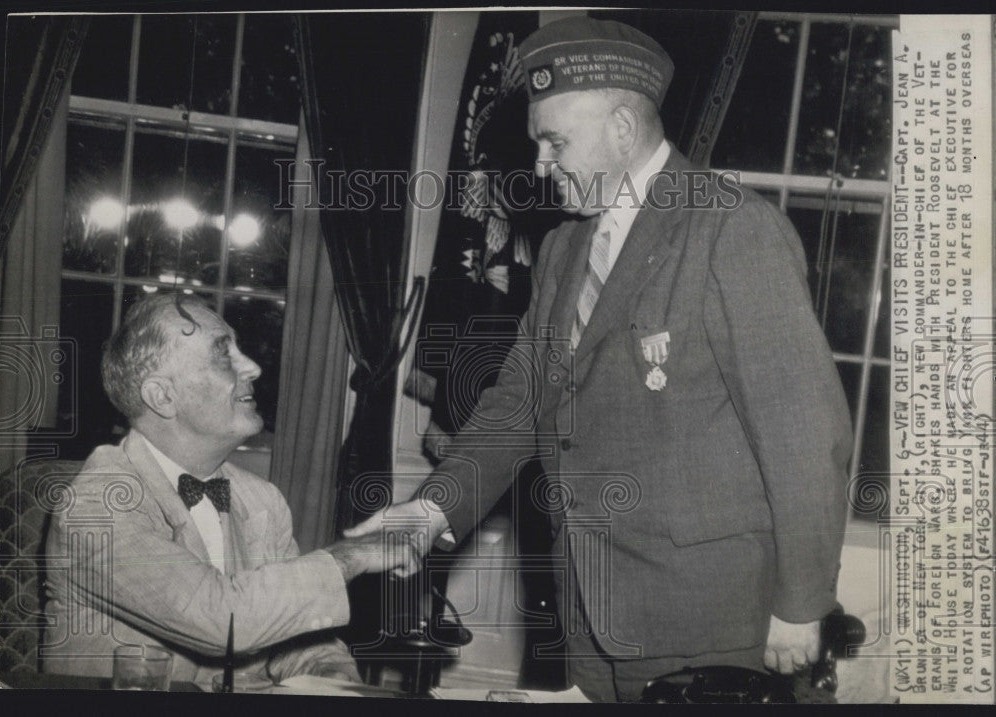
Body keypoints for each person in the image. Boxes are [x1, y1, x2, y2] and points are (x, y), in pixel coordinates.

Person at [347, 16, 853, 702]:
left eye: (556, 142)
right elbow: (518, 404)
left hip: (712, 624)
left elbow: (803, 432)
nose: (539, 167)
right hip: (590, 612)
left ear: (621, 126)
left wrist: (801, 601)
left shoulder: (731, 227)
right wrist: (429, 512)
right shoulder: (561, 250)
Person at [42, 293, 415, 684]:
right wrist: (348, 557)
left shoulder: (262, 500)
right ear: (162, 396)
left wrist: (334, 681)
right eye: (223, 354)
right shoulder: (96, 504)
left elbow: (303, 641)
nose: (252, 367)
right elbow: (220, 618)